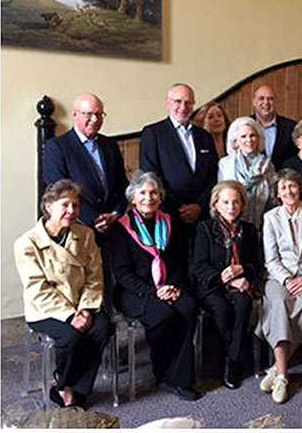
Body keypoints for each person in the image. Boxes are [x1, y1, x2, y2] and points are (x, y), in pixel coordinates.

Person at [15, 180, 111, 409]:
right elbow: (37, 288)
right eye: (65, 205)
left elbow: (95, 276)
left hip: (83, 304)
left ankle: (70, 386)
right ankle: (67, 390)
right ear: (48, 206)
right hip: (47, 310)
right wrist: (70, 315)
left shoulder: (85, 235)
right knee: (71, 337)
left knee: (103, 327)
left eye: (76, 206)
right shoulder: (27, 243)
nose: (71, 211)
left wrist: (86, 309)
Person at [109, 171, 199, 401]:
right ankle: (163, 372)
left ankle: (182, 378)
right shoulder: (122, 228)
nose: (148, 197)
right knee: (163, 314)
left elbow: (180, 260)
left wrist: (173, 286)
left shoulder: (170, 222)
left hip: (169, 285)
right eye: (143, 193)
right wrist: (154, 291)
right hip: (134, 291)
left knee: (188, 307)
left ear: (160, 197)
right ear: (133, 198)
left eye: (153, 193)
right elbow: (122, 273)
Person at [256, 169, 302, 404]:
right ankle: (282, 376)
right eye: (284, 188)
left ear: (300, 188)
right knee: (278, 304)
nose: (289, 191)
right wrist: (288, 280)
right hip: (280, 277)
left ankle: (276, 369)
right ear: (278, 193)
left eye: (293, 186)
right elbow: (271, 259)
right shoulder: (270, 218)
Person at [139, 83, 219, 269]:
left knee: (202, 264)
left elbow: (213, 175)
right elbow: (151, 176)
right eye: (178, 101)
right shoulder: (153, 133)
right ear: (168, 102)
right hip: (169, 214)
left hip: (202, 213)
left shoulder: (204, 136)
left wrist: (199, 205)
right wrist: (180, 208)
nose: (183, 107)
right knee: (175, 267)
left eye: (188, 103)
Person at [191, 181, 260, 389]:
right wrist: (226, 277)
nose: (231, 207)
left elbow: (256, 264)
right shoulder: (204, 228)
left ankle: (232, 361)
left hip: (240, 285)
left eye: (236, 202)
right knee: (220, 308)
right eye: (226, 202)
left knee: (242, 305)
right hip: (212, 285)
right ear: (216, 205)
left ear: (242, 205)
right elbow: (198, 266)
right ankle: (226, 353)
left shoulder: (248, 230)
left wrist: (243, 271)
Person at [43, 93, 128, 234]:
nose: (94, 119)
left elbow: (122, 184)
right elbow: (58, 190)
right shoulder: (58, 147)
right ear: (75, 114)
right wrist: (94, 219)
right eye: (88, 114)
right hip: (77, 227)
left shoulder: (110, 145)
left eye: (99, 114)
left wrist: (116, 213)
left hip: (113, 227)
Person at [218, 116, 276, 231]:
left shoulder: (268, 165)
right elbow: (221, 197)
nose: (249, 140)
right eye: (243, 136)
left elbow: (273, 198)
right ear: (236, 141)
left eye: (252, 135)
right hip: (231, 224)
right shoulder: (225, 164)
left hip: (262, 224)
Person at [250, 85, 298, 170]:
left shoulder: (291, 127)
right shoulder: (244, 125)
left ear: (275, 102)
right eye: (261, 98)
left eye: (270, 99)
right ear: (254, 102)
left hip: (283, 180)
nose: (266, 102)